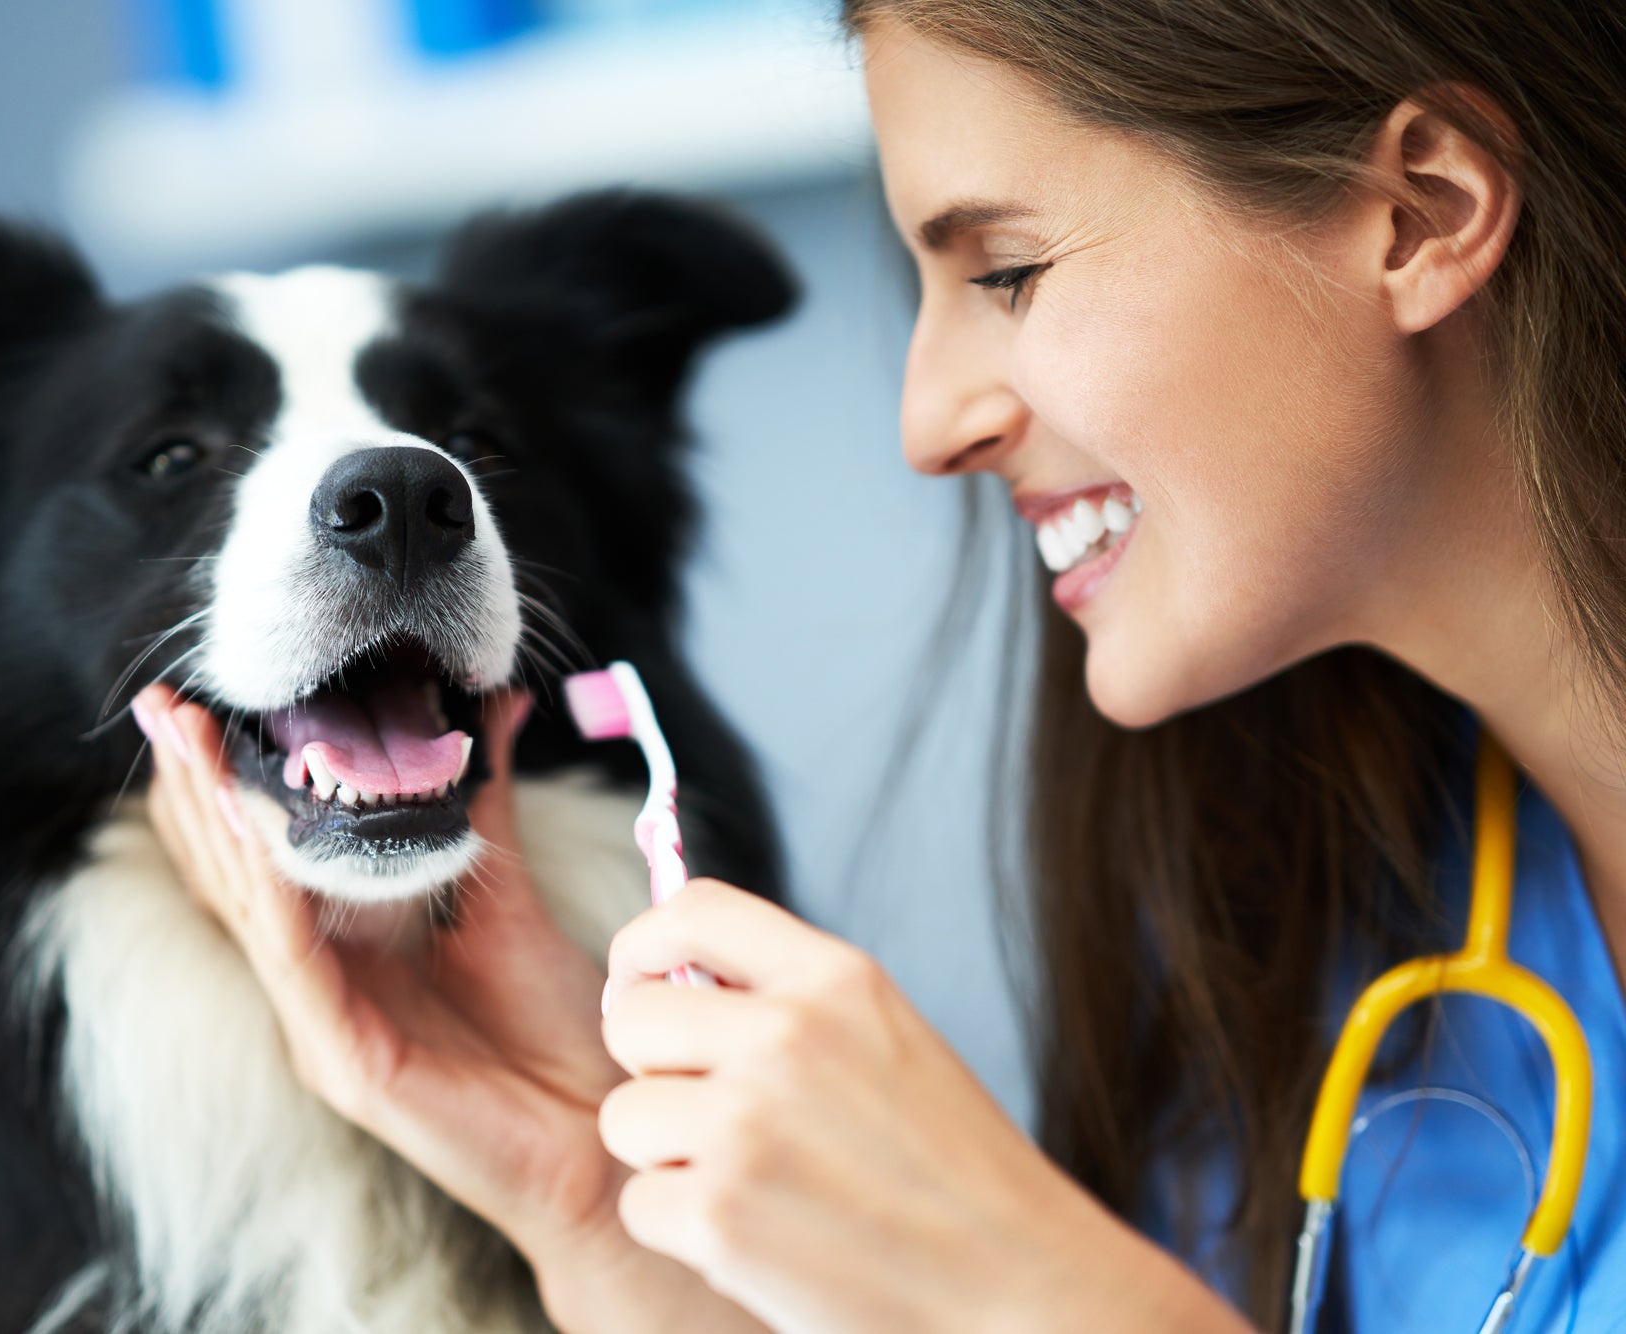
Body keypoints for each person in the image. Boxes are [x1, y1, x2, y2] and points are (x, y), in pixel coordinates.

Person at [129, 0, 1626, 1328]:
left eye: (1011, 270)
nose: (928, 423)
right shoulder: (1322, 930)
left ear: (1421, 212)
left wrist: (1029, 1283)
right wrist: (592, 1192)